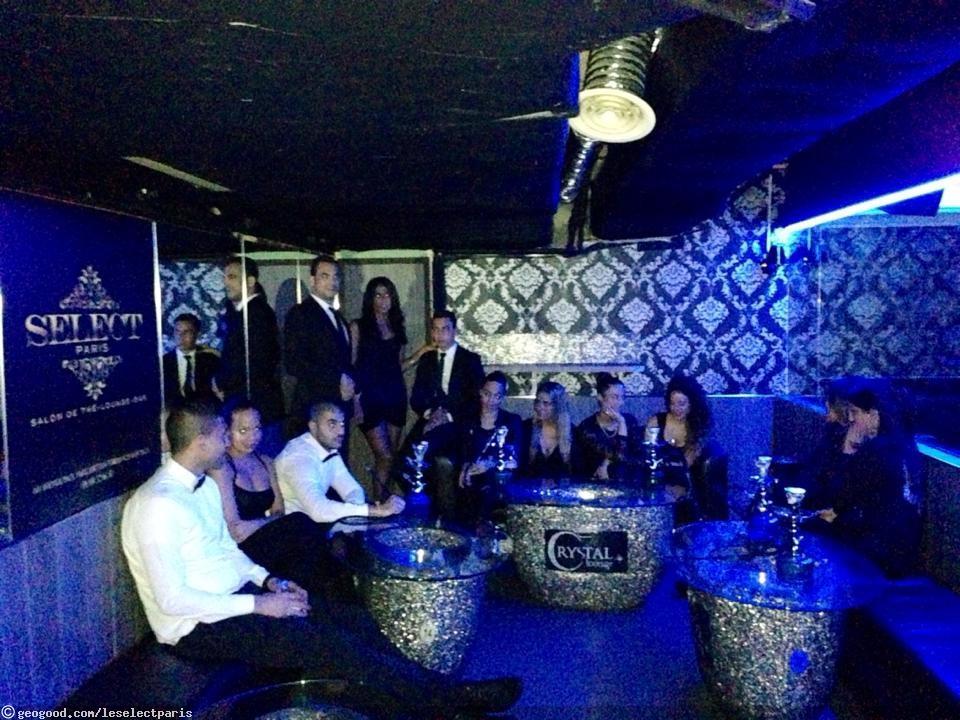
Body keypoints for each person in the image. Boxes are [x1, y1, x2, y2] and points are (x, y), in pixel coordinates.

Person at [121, 400, 522, 718]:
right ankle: (448, 701)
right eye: (224, 434)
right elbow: (173, 601)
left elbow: (227, 551)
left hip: (235, 597)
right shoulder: (158, 504)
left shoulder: (204, 486)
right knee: (328, 644)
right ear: (201, 441)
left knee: (354, 620)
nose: (229, 441)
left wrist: (270, 582)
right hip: (196, 626)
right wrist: (261, 604)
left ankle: (435, 691)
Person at [208, 401, 331, 596]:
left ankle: (302, 596)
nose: (252, 437)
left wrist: (263, 522)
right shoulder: (222, 467)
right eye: (243, 430)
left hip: (265, 539)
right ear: (227, 431)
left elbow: (279, 512)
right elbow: (235, 530)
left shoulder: (265, 462)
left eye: (257, 428)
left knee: (307, 534)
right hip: (237, 550)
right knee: (300, 524)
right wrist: (269, 521)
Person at [808, 382, 922, 577]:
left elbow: (842, 493)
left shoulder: (876, 451)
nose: (851, 419)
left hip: (876, 548)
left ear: (875, 415)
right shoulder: (908, 447)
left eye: (856, 412)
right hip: (903, 543)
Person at [349, 277, 429, 499]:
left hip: (394, 395)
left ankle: (387, 503)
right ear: (371, 299)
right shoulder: (358, 326)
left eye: (387, 295)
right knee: (383, 456)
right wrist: (355, 401)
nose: (384, 300)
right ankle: (380, 507)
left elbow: (398, 366)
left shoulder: (396, 326)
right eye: (378, 295)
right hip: (369, 398)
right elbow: (351, 366)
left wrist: (420, 354)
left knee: (391, 457)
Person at [275, 401, 405, 523]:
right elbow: (319, 511)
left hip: (309, 524)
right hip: (286, 526)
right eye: (332, 424)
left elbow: (351, 489)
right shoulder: (299, 458)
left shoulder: (328, 448)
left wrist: (356, 512)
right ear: (313, 426)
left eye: (342, 424)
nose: (341, 431)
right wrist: (375, 511)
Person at [284, 255, 356, 453]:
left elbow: (344, 362)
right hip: (313, 407)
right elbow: (293, 363)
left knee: (336, 464)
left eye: (336, 276)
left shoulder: (338, 317)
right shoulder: (301, 314)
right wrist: (336, 379)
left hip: (338, 409)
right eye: (325, 276)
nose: (332, 282)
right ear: (313, 280)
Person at [216, 256, 284, 454]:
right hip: (250, 406)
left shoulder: (256, 314)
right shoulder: (240, 313)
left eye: (232, 277)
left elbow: (255, 362)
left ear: (250, 281)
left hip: (257, 408)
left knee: (260, 463)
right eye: (225, 277)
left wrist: (221, 381)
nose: (226, 282)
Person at [453, 372, 522, 524]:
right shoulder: (468, 419)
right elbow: (461, 449)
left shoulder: (512, 421)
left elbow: (515, 459)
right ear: (480, 392)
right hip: (472, 473)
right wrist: (465, 466)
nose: (491, 401)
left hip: (498, 475)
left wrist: (489, 465)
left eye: (497, 396)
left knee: (490, 484)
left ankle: (485, 526)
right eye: (487, 394)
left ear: (502, 397)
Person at [576, 373, 641, 481]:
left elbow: (639, 457)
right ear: (600, 397)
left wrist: (606, 462)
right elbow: (619, 457)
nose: (620, 403)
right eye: (614, 397)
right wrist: (621, 423)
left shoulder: (630, 421)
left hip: (629, 480)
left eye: (622, 397)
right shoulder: (587, 427)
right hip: (597, 483)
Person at [519, 380, 576, 479]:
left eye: (546, 403)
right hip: (530, 486)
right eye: (537, 402)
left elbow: (578, 472)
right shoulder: (526, 428)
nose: (539, 407)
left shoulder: (573, 433)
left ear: (558, 406)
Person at [162, 312, 218, 406]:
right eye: (177, 331)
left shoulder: (211, 360)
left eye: (186, 332)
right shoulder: (163, 363)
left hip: (204, 411)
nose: (181, 337)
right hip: (173, 411)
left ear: (197, 334)